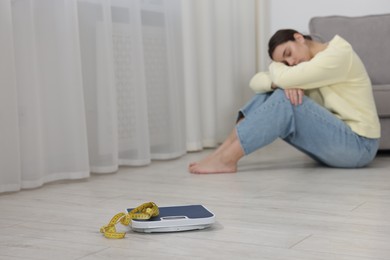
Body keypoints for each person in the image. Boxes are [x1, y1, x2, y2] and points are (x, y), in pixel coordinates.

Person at [189, 29, 381, 174]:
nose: (291, 63)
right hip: (336, 143)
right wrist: (278, 82)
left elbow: (283, 79)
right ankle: (222, 153)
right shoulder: (305, 66)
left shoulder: (338, 54)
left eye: (288, 54)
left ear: (299, 37)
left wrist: (278, 72)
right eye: (284, 63)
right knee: (270, 93)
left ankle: (227, 158)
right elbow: (255, 82)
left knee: (284, 98)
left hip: (359, 146)